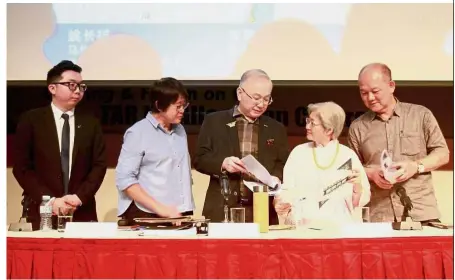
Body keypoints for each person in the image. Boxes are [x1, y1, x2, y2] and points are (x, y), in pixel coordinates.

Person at [348, 63, 450, 223]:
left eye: (375, 91)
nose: (370, 98)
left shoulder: (421, 115)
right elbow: (353, 169)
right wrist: (372, 174)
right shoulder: (357, 127)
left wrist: (416, 166)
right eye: (364, 93)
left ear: (391, 86)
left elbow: (443, 154)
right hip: (379, 216)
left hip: (421, 213)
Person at [13, 60, 107, 230]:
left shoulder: (90, 123)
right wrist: (50, 201)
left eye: (81, 86)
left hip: (81, 210)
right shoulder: (31, 120)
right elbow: (22, 168)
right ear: (52, 88)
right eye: (71, 85)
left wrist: (78, 198)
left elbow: (99, 166)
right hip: (41, 212)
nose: (78, 91)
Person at [194, 69, 289, 225]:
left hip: (261, 209)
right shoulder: (214, 121)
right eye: (256, 98)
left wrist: (276, 177)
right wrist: (223, 163)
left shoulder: (275, 128)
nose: (261, 104)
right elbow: (200, 159)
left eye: (267, 99)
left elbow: (282, 162)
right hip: (223, 208)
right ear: (240, 93)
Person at [274, 102, 371, 225]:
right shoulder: (298, 153)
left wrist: (357, 190)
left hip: (339, 229)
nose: (307, 127)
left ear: (329, 130)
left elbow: (360, 200)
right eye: (307, 121)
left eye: (312, 123)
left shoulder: (348, 155)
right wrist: (281, 202)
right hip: (304, 229)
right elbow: (287, 191)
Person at [116, 77, 194, 224]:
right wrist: (161, 210)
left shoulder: (180, 130)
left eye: (184, 105)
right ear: (159, 105)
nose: (182, 111)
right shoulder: (137, 133)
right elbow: (124, 180)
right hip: (148, 214)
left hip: (180, 213)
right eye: (178, 106)